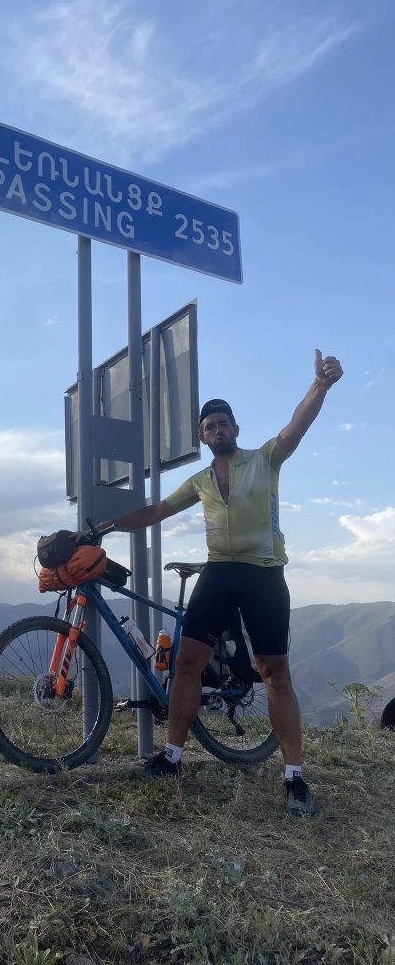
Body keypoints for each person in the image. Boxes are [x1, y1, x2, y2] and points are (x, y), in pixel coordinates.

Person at [96, 349, 344, 815]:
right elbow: (156, 512)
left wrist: (321, 386)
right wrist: (105, 528)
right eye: (210, 427)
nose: (218, 431)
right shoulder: (201, 480)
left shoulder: (265, 459)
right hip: (219, 572)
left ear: (236, 428)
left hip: (265, 575)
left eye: (224, 423)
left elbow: (296, 427)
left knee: (275, 673)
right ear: (202, 436)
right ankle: (172, 758)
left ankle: (294, 777)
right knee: (186, 665)